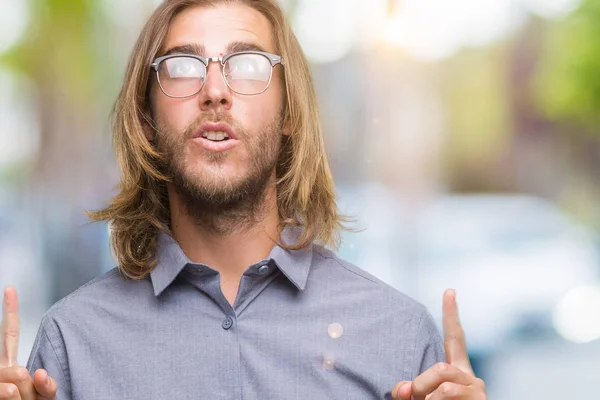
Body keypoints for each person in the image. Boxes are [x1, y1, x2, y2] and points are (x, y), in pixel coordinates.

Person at [0, 0, 487, 399]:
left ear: (290, 112)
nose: (215, 90)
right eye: (183, 67)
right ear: (146, 119)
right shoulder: (72, 347)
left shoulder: (399, 338)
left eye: (248, 65)